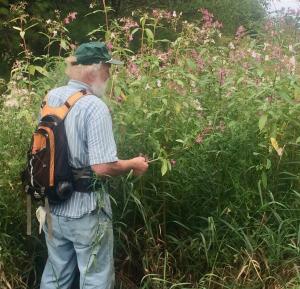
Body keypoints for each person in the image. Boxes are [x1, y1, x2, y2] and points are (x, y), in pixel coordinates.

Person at [40, 42, 149, 289]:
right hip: (86, 209)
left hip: (53, 204)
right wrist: (133, 164)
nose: (110, 74)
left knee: (56, 275)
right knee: (95, 279)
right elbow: (102, 168)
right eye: (108, 68)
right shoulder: (94, 107)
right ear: (95, 69)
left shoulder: (51, 97)